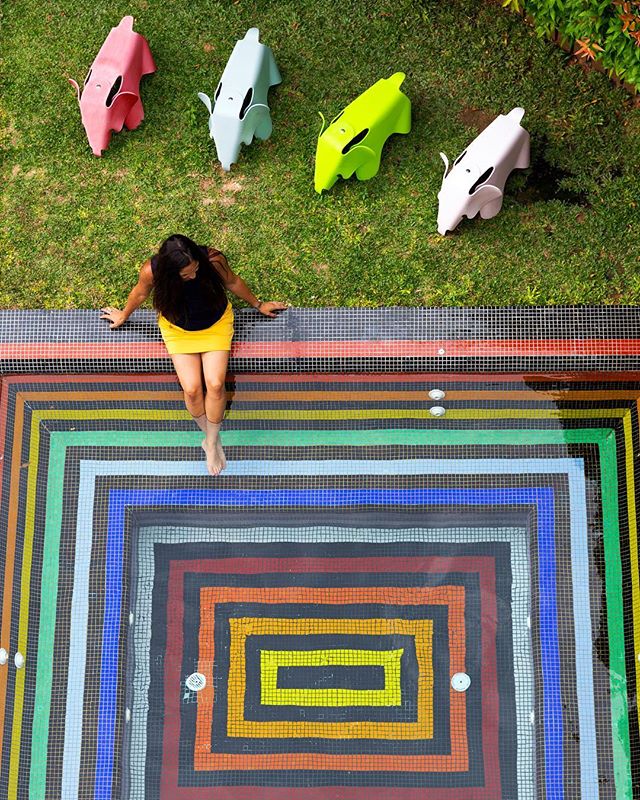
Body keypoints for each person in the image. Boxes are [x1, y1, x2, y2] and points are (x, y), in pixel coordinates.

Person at [100, 234, 287, 475]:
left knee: (216, 384)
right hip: (178, 330)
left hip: (216, 325)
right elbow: (139, 294)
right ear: (169, 271)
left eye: (195, 269)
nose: (194, 276)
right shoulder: (152, 271)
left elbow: (232, 282)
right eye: (186, 274)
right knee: (191, 389)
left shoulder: (212, 260)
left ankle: (211, 439)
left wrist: (258, 304)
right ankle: (210, 438)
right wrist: (124, 314)